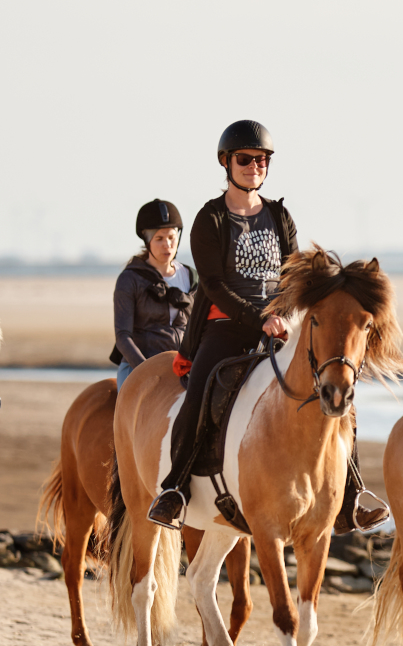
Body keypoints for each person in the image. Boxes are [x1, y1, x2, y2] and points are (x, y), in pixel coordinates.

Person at [145, 120, 386, 532]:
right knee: (200, 393)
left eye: (261, 160)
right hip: (226, 328)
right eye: (245, 159)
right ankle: (175, 488)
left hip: (281, 328)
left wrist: (296, 310)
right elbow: (215, 284)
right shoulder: (210, 218)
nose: (254, 166)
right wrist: (260, 317)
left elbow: (294, 275)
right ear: (226, 163)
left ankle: (353, 495)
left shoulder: (278, 215)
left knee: (339, 390)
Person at [112, 198, 191, 388]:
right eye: (159, 239)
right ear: (147, 241)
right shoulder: (129, 279)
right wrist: (146, 369)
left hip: (183, 366)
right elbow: (123, 336)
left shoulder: (191, 277)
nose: (167, 245)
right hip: (138, 366)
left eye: (172, 237)